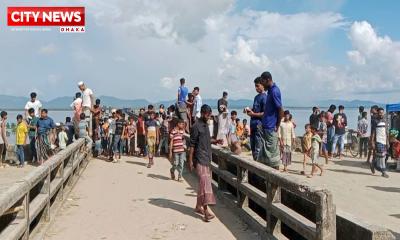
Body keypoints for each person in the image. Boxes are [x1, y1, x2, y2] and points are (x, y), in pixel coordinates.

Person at [188, 104, 222, 222]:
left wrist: (216, 140)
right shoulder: (196, 126)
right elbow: (191, 145)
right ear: (202, 113)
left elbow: (207, 140)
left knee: (203, 183)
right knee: (205, 184)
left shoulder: (206, 126)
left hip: (207, 158)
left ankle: (198, 206)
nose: (209, 116)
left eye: (210, 114)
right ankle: (206, 211)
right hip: (199, 159)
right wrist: (190, 160)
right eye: (207, 114)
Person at [259, 71, 284, 169]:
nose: (262, 85)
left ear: (268, 80)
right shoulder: (269, 91)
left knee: (273, 159)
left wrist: (277, 125)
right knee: (265, 159)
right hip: (266, 128)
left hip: (271, 128)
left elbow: (281, 109)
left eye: (263, 82)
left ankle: (274, 181)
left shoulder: (274, 91)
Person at [246, 77, 267, 161]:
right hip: (253, 126)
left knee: (258, 149)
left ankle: (258, 170)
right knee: (253, 149)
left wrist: (253, 114)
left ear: (262, 85)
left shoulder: (265, 97)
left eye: (257, 86)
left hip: (259, 126)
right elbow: (255, 109)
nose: (256, 88)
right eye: (255, 86)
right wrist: (249, 110)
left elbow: (265, 113)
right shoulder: (256, 97)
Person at [370, 108, 389, 178]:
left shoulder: (385, 121)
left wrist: (387, 141)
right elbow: (373, 133)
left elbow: (386, 132)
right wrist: (372, 142)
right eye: (380, 113)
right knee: (381, 156)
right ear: (377, 113)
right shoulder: (375, 121)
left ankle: (373, 164)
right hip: (378, 141)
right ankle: (383, 172)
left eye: (382, 113)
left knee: (384, 156)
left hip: (384, 141)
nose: (381, 114)